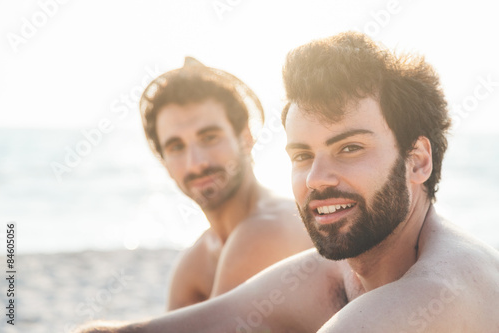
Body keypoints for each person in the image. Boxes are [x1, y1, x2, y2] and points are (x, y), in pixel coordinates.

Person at [76, 32, 499, 332]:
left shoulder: (434, 293)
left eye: (349, 148)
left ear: (417, 161)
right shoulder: (341, 271)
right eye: (302, 155)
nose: (316, 179)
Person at [138, 57, 313, 311]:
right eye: (176, 147)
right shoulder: (195, 260)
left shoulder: (269, 227)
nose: (196, 163)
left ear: (246, 137)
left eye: (209, 137)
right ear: (164, 163)